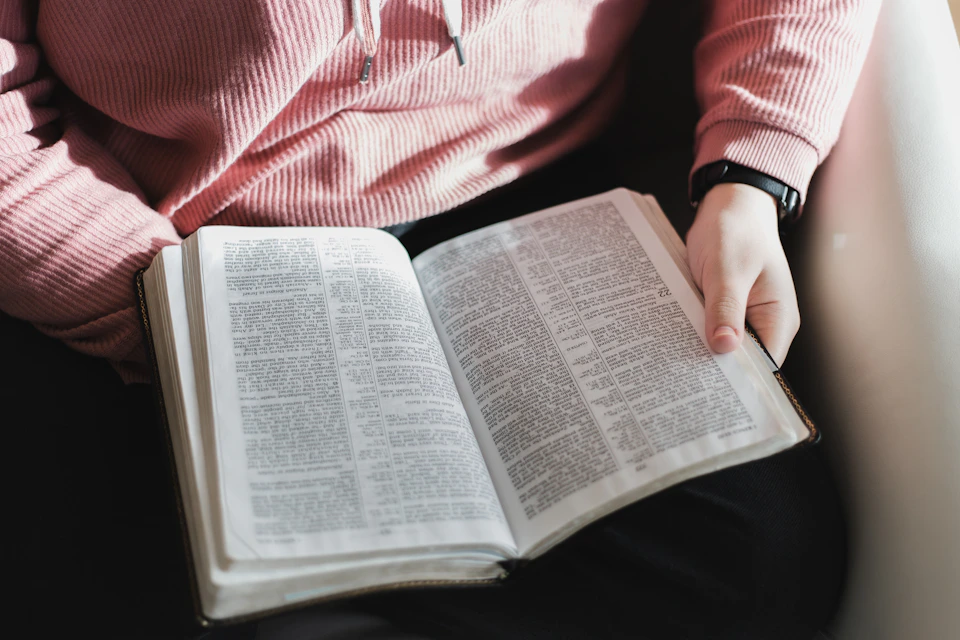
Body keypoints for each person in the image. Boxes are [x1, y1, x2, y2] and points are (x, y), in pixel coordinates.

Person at [1, 1, 879, 638]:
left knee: (756, 562)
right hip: (150, 233)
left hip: (518, 186)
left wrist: (751, 168)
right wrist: (165, 310)